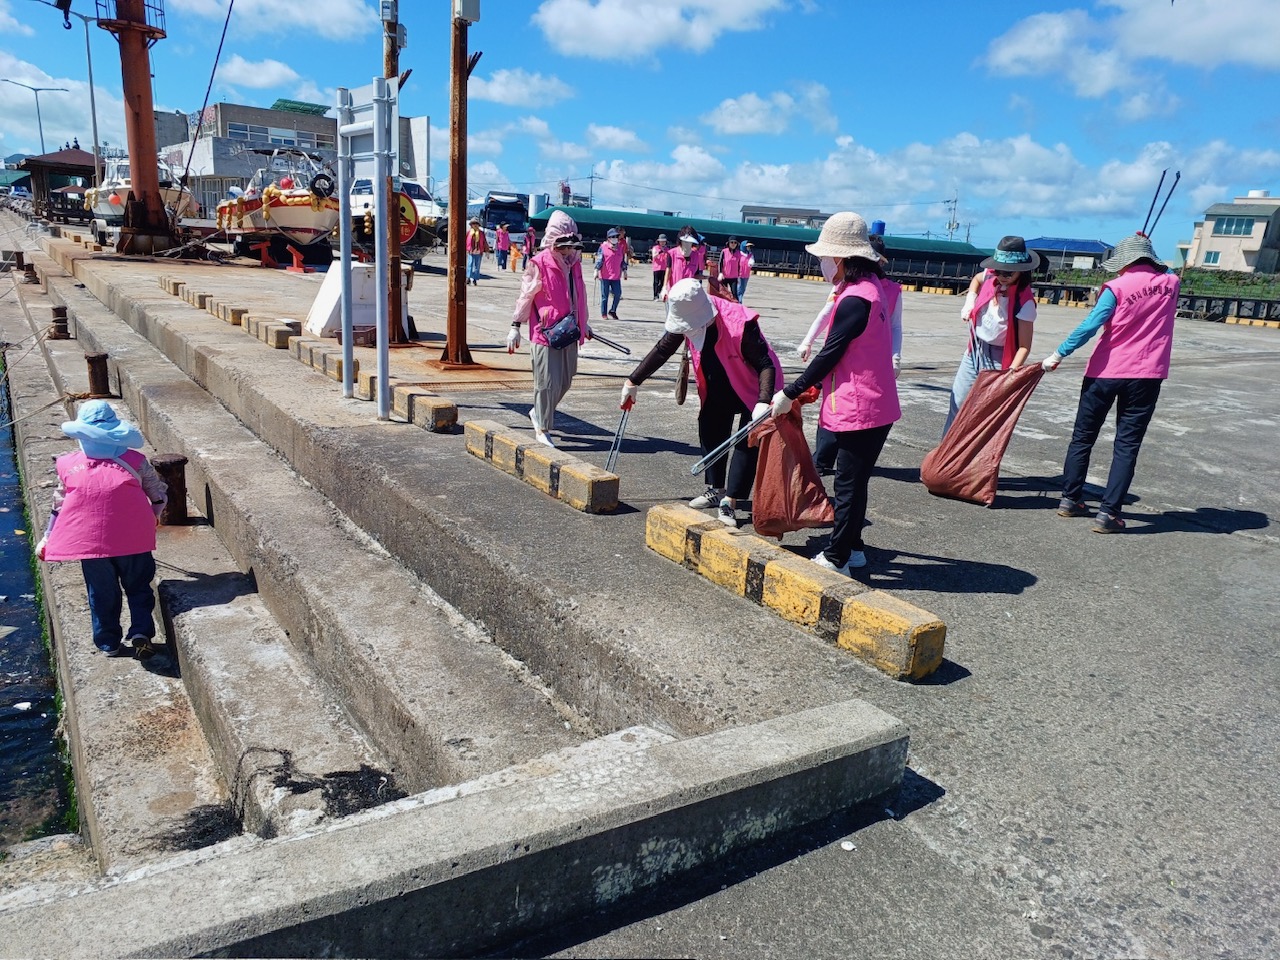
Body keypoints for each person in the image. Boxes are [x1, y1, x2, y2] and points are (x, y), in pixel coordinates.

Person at [769, 213, 900, 573]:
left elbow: (830, 354)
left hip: (862, 406)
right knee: (854, 482)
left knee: (847, 484)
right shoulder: (871, 289)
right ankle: (854, 547)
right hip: (875, 402)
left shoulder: (856, 300)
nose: (822, 265)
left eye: (825, 258)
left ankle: (837, 556)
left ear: (841, 259)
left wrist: (790, 393)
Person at [1040, 232, 1179, 533]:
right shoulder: (1171, 283)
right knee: (1126, 445)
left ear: (1123, 262)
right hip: (1146, 375)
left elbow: (1090, 325)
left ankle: (1069, 500)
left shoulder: (1115, 287)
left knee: (1082, 437)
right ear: (1151, 258)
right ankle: (1109, 514)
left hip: (1104, 371)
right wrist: (1147, 247)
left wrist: (1059, 353)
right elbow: (1168, 271)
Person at [620, 278, 780, 527]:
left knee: (746, 441)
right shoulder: (688, 313)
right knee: (710, 428)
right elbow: (663, 349)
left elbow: (765, 365)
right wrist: (633, 381)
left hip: (754, 385)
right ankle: (716, 489)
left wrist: (763, 401)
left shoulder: (740, 323)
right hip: (717, 379)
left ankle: (731, 500)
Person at [35, 401, 168, 658]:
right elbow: (158, 493)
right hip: (134, 540)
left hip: (91, 544)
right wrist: (155, 514)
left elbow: (58, 505)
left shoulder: (66, 464)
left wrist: (47, 537)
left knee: (101, 593)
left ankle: (109, 642)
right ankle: (141, 633)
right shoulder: (135, 461)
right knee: (139, 586)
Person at [800, 233, 903, 475]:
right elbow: (826, 315)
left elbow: (895, 326)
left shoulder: (873, 293)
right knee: (832, 417)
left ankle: (827, 463)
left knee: (849, 478)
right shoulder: (851, 287)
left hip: (858, 375)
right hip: (844, 373)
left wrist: (895, 357)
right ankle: (822, 460)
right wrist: (808, 340)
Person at [509, 210, 591, 447]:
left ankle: (538, 412)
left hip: (569, 330)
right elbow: (526, 296)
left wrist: (584, 323)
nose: (567, 250)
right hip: (545, 332)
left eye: (571, 245)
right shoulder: (539, 263)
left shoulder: (574, 264)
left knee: (565, 380)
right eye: (563, 245)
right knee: (546, 382)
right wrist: (515, 326)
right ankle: (542, 428)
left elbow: (579, 296)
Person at [941, 235, 1038, 436]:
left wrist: (1010, 373)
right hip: (975, 349)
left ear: (1021, 271)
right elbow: (976, 280)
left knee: (983, 412)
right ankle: (945, 453)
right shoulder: (989, 276)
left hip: (999, 356)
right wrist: (970, 300)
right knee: (958, 401)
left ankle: (970, 459)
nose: (1002, 276)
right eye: (999, 270)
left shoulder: (1025, 302)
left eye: (1009, 273)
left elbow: (1024, 346)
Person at [595, 227, 627, 320]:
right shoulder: (603, 247)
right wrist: (596, 270)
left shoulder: (620, 248)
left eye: (616, 236)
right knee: (605, 296)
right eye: (612, 237)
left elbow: (622, 261)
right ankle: (604, 313)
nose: (615, 238)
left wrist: (625, 270)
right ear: (608, 238)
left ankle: (613, 310)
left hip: (616, 276)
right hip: (605, 275)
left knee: (617, 294)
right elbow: (600, 260)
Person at [465, 216, 488, 285]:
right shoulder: (469, 233)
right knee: (470, 264)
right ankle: (468, 278)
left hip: (479, 251)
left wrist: (487, 251)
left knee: (477, 266)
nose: (475, 225)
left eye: (476, 224)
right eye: (473, 223)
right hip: (471, 251)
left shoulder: (481, 233)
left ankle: (475, 279)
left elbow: (484, 242)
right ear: (471, 225)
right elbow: (465, 241)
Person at [650, 234, 670, 300]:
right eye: (661, 241)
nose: (662, 243)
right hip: (657, 267)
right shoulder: (655, 248)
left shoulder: (667, 249)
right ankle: (655, 295)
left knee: (662, 282)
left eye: (664, 241)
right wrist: (659, 252)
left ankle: (658, 292)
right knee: (656, 281)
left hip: (664, 267)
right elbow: (653, 256)